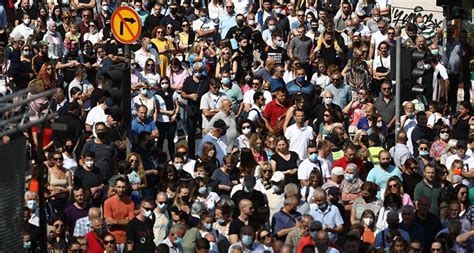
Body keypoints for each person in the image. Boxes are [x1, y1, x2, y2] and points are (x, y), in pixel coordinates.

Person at [104, 178, 135, 252]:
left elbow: (131, 223)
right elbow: (109, 223)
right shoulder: (108, 202)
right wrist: (125, 221)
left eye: (123, 187)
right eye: (119, 187)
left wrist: (114, 221)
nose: (121, 189)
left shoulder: (130, 203)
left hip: (126, 239)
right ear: (114, 187)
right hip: (112, 240)